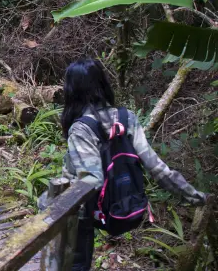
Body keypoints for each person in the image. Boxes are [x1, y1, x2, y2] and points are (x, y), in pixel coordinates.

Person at [60, 58, 206, 271]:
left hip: (80, 213)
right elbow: (156, 167)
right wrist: (194, 195)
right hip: (122, 205)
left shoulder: (81, 129)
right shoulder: (126, 117)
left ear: (72, 90)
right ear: (102, 83)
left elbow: (90, 181)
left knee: (74, 265)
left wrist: (50, 203)